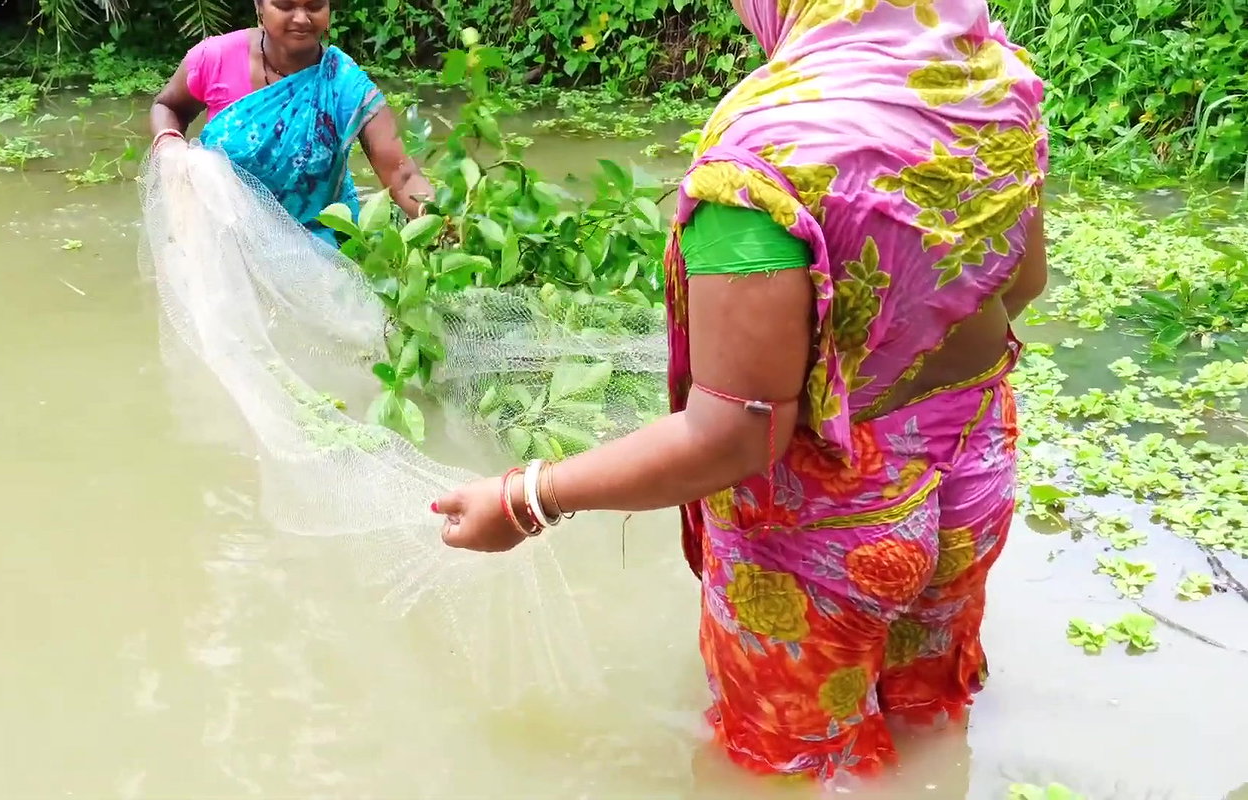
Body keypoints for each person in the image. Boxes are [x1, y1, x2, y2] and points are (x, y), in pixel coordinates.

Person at [432, 0, 1048, 782]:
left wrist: (526, 498)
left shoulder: (765, 157)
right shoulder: (990, 78)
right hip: (972, 482)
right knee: (929, 719)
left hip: (827, 537)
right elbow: (1024, 283)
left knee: (787, 775)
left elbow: (734, 435)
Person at [148, 0, 432, 246]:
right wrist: (170, 144)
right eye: (285, 5)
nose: (301, 18)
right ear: (259, 6)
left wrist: (442, 221)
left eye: (315, 6)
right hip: (228, 245)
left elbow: (402, 175)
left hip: (320, 254)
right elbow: (168, 106)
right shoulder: (215, 59)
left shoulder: (344, 85)